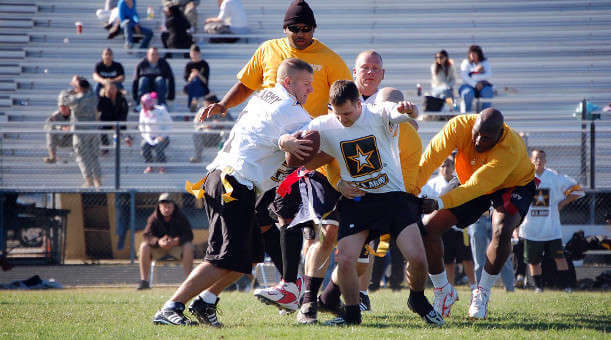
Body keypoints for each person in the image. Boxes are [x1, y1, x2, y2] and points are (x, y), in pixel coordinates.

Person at [198, 0, 351, 318]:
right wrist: (223, 105)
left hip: (307, 151)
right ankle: (290, 288)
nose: (300, 34)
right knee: (265, 221)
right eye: (294, 28)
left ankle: (299, 290)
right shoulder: (269, 50)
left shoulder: (330, 59)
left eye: (306, 28)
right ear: (285, 29)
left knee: (294, 219)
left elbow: (344, 100)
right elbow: (246, 83)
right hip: (267, 157)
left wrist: (331, 143)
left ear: (314, 29)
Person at [152, 58, 315, 327]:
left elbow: (262, 133)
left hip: (227, 178)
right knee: (222, 257)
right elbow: (309, 136)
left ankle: (205, 302)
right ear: (288, 83)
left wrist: (282, 142)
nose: (310, 90)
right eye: (306, 84)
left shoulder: (264, 96)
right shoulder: (291, 109)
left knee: (247, 256)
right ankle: (171, 307)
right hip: (234, 183)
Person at [293, 80, 442, 326]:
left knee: (418, 258)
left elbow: (406, 113)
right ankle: (352, 315)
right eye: (337, 113)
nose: (342, 119)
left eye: (348, 113)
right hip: (358, 201)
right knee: (344, 259)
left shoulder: (378, 114)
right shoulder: (325, 124)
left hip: (393, 198)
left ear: (359, 103)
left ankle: (416, 298)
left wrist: (409, 109)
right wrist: (286, 142)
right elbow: (300, 148)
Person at [416, 108, 536, 320]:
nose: (479, 140)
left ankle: (482, 292)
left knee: (502, 229)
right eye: (476, 133)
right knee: (429, 228)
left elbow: (477, 187)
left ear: (500, 135)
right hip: (470, 177)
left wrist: (439, 201)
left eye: (486, 137)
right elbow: (432, 156)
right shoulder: (459, 125)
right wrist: (414, 186)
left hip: (512, 184)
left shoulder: (510, 149)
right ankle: (443, 291)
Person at [518, 149, 585, 293]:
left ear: (546, 160)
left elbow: (578, 191)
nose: (539, 161)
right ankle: (538, 287)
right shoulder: (524, 177)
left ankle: (566, 287)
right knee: (533, 261)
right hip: (531, 230)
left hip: (552, 230)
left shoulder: (554, 177)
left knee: (560, 258)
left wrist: (563, 202)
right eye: (536, 158)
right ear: (531, 160)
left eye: (541, 158)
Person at [420, 156, 476, 291]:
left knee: (467, 258)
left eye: (448, 165)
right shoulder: (432, 184)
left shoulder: (460, 181)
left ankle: (474, 285)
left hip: (460, 226)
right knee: (447, 260)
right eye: (443, 165)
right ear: (439, 168)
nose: (446, 168)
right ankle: (449, 287)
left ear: (453, 167)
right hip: (443, 228)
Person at [138, 193, 195, 290]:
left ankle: (189, 283)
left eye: (169, 206)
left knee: (189, 246)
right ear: (159, 207)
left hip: (177, 248)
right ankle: (144, 282)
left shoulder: (181, 217)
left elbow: (189, 235)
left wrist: (176, 241)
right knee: (144, 246)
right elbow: (147, 236)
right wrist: (158, 242)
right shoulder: (153, 218)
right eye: (164, 206)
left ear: (173, 206)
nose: (166, 209)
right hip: (158, 249)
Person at [60, 76, 102, 188]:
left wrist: (71, 88)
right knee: (94, 156)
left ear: (79, 87)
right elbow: (90, 87)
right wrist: (79, 82)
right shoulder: (93, 96)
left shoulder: (76, 99)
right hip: (93, 130)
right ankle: (98, 180)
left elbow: (64, 100)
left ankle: (88, 180)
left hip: (80, 132)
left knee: (82, 156)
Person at [468, 212, 515, 291]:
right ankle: (480, 291)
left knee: (503, 256)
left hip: (498, 216)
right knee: (479, 259)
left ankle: (510, 288)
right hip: (477, 218)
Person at [190, 94, 232, 163]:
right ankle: (198, 157)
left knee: (226, 132)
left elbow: (231, 124)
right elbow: (196, 123)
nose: (205, 105)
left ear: (213, 103)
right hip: (206, 136)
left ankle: (224, 158)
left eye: (207, 103)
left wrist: (221, 124)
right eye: (205, 103)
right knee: (196, 133)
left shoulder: (223, 110)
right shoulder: (202, 111)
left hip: (219, 137)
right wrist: (206, 126)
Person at [139, 93, 172, 174]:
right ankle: (149, 165)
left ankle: (161, 166)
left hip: (163, 137)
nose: (143, 106)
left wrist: (162, 136)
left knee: (159, 145)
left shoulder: (161, 109)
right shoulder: (143, 112)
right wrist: (147, 137)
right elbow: (141, 127)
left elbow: (169, 124)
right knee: (144, 145)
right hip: (149, 137)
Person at [458, 45, 493, 113]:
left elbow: (489, 75)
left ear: (479, 54)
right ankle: (466, 115)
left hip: (483, 85)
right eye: (471, 54)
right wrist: (475, 83)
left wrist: (475, 76)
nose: (472, 56)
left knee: (488, 93)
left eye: (474, 54)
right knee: (467, 93)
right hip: (468, 85)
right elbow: (464, 76)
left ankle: (485, 115)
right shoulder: (465, 62)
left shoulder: (485, 63)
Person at [97, 82, 131, 149]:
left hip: (119, 121)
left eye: (113, 88)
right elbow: (102, 113)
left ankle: (125, 139)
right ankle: (105, 148)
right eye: (110, 88)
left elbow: (124, 112)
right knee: (101, 129)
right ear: (106, 89)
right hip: (107, 121)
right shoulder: (102, 100)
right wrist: (111, 123)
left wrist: (117, 122)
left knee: (120, 128)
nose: (112, 90)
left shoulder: (121, 99)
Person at [43, 94, 73, 164]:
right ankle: (52, 156)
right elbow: (46, 127)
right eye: (61, 106)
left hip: (73, 139)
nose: (62, 109)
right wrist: (60, 127)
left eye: (64, 107)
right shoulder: (55, 115)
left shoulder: (75, 114)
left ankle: (80, 154)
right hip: (60, 139)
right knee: (50, 131)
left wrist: (71, 128)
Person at [183, 45, 210, 112]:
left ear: (199, 53)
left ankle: (191, 105)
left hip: (202, 88)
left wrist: (198, 74)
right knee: (194, 82)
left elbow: (205, 81)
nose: (193, 55)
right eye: (192, 54)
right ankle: (194, 101)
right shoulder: (189, 65)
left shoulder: (204, 64)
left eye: (195, 54)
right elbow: (187, 80)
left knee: (196, 80)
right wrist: (191, 76)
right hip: (191, 87)